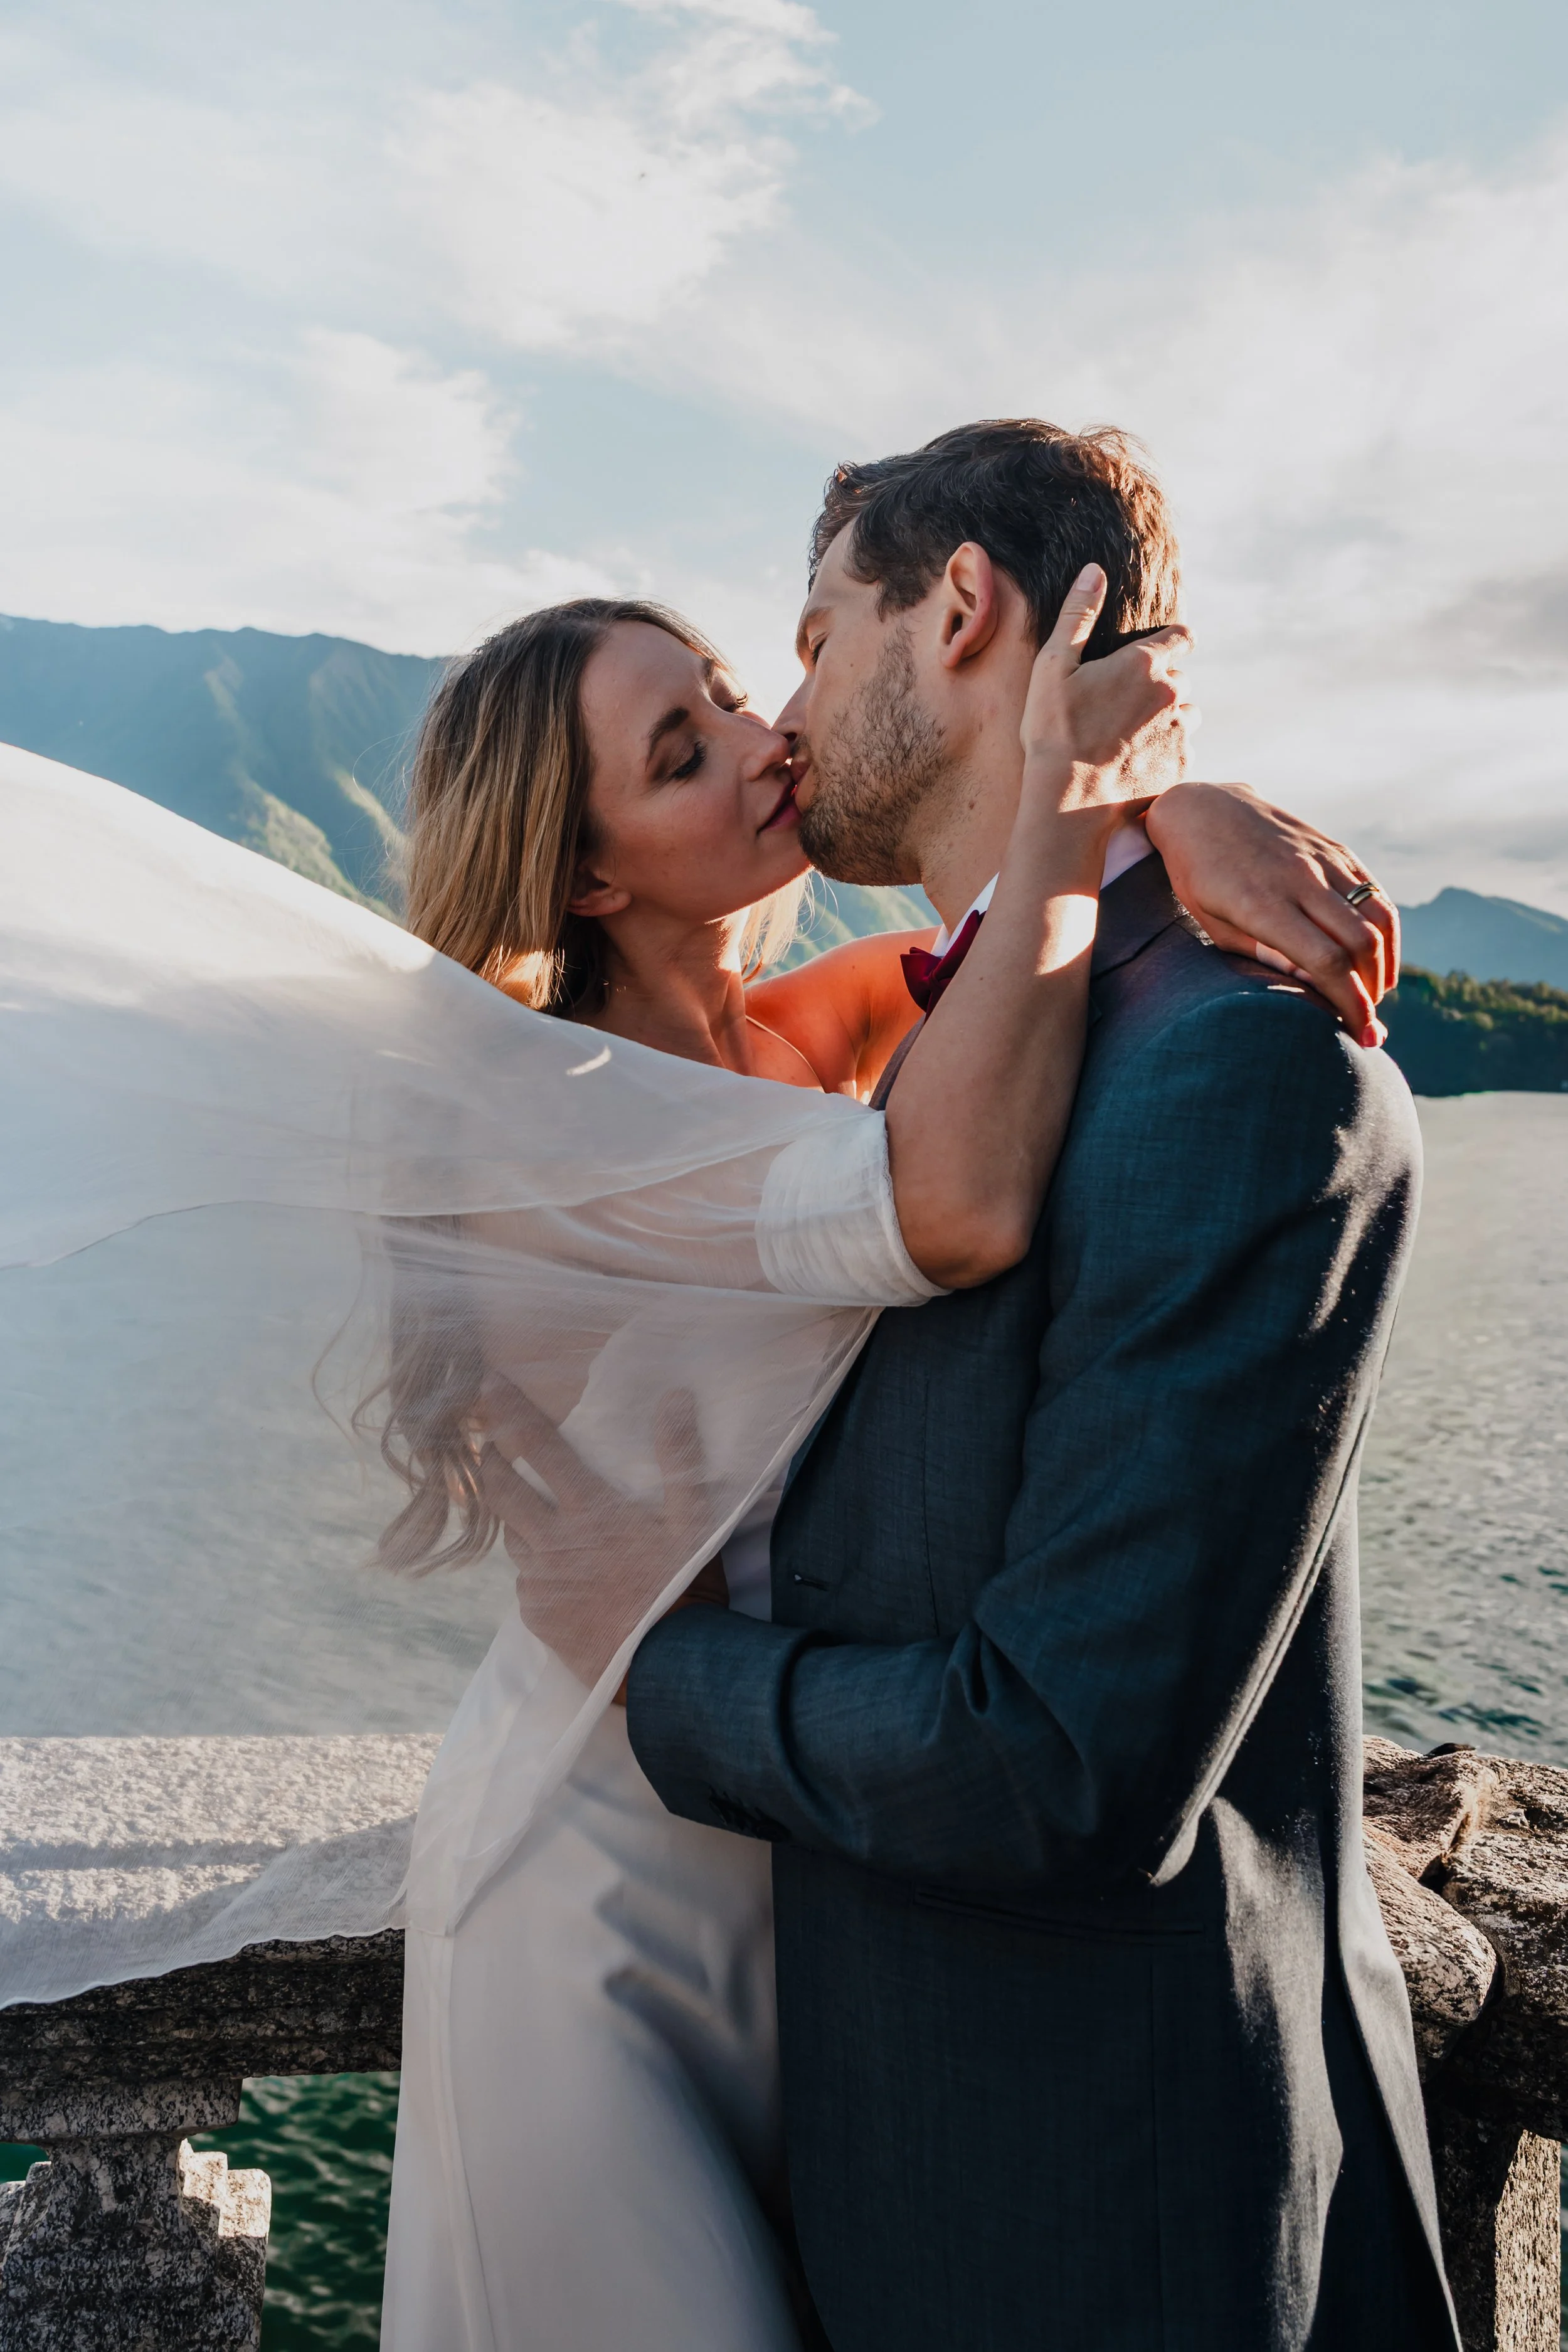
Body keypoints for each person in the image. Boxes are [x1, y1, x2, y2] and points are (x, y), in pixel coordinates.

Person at [381, 539, 1406, 2348]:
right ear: (589, 869)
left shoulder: (794, 1030)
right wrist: (1090, 792)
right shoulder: (558, 1133)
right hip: (603, 1852)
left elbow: (1000, 946)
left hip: (800, 1827)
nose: (758, 737)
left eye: (719, 693)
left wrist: (1179, 811)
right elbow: (951, 1195)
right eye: (681, 754)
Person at [622, 421, 1459, 2349]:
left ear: (964, 607)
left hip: (1106, 2221)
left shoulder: (1241, 1071)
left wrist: (637, 1683)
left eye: (817, 634)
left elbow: (1058, 1760)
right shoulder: (969, 1019)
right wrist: (1149, 806)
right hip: (899, 2172)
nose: (788, 709)